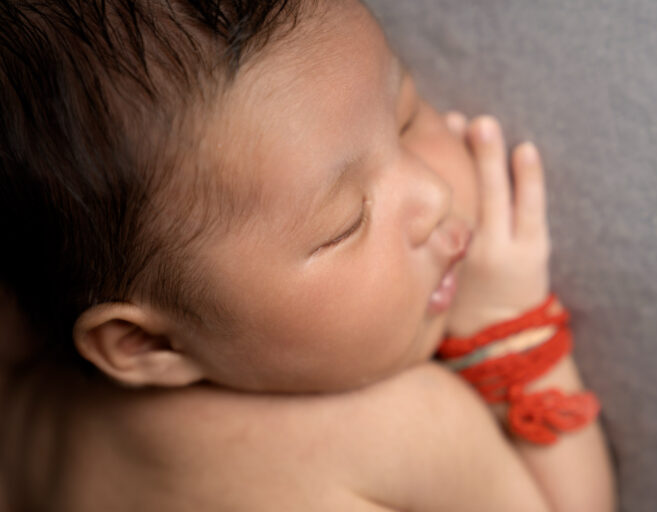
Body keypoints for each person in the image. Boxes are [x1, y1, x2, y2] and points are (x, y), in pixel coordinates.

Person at [0, 0, 615, 510]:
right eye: (345, 223)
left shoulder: (34, 415)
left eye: (404, 119)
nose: (435, 194)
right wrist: (508, 335)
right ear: (148, 345)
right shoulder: (405, 429)